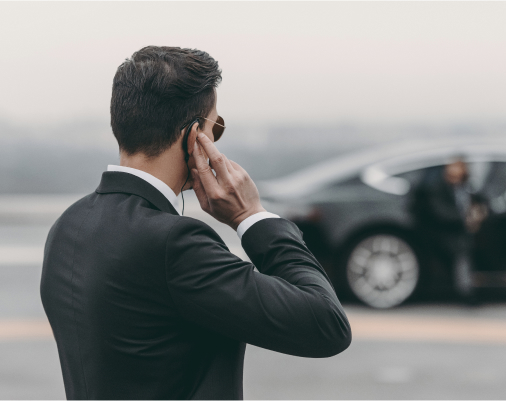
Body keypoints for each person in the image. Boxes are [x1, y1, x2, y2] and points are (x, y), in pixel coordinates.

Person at [40, 46, 351, 400]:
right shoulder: (174, 243)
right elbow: (326, 325)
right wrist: (252, 217)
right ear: (194, 137)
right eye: (215, 127)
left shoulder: (68, 226)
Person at [410, 157, 487, 302]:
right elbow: (441, 213)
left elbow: (482, 203)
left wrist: (480, 213)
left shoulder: (468, 187)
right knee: (462, 248)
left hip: (467, 231)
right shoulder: (437, 187)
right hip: (445, 233)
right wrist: (466, 219)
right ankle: (466, 291)